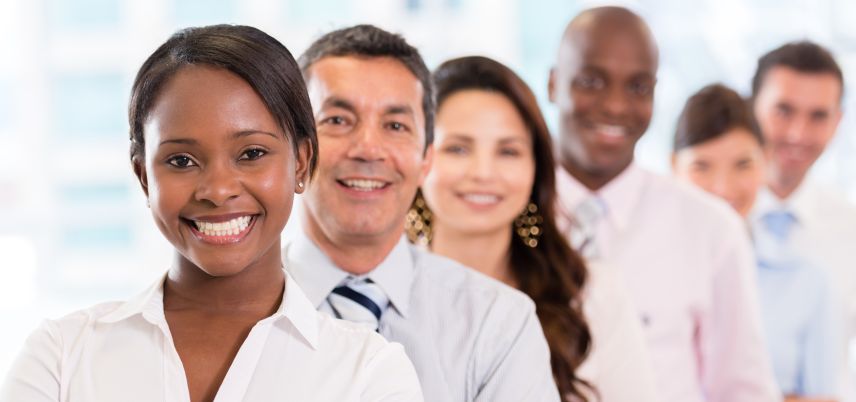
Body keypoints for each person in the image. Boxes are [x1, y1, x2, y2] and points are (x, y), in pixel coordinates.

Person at [0, 25, 423, 402]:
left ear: (300, 162)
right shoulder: (61, 357)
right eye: (182, 160)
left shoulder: (370, 373)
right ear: (143, 176)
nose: (218, 191)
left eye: (252, 153)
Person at [283, 25, 559, 402]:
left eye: (395, 125)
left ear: (426, 158)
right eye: (338, 120)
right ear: (295, 150)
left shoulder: (497, 323)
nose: (368, 149)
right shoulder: (222, 310)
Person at [548, 6, 779, 402]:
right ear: (553, 84)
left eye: (639, 87)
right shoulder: (506, 215)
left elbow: (743, 390)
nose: (616, 106)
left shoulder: (710, 228)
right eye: (591, 81)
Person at [410, 55, 659, 402]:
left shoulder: (591, 294)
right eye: (458, 148)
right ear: (418, 157)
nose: (483, 172)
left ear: (536, 168)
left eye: (508, 151)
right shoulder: (382, 293)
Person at [673, 84, 839, 401]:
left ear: (765, 162)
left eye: (743, 165)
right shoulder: (637, 268)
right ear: (672, 166)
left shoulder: (807, 280)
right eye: (702, 166)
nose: (723, 188)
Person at [749, 41, 856, 401]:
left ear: (838, 121)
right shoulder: (710, 221)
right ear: (752, 109)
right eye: (783, 111)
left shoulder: (850, 230)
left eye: (818, 116)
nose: (798, 133)